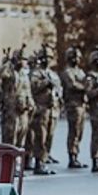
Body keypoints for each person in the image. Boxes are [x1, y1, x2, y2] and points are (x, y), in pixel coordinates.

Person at [28, 47, 59, 176]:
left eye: (49, 58)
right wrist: (46, 83)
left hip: (52, 109)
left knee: (49, 137)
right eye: (44, 58)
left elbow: (59, 88)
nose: (47, 60)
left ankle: (44, 160)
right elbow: (33, 87)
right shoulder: (36, 73)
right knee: (41, 137)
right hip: (41, 109)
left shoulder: (53, 74)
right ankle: (38, 163)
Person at [60, 46, 89, 169]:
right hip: (73, 104)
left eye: (77, 57)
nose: (76, 59)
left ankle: (76, 155)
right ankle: (72, 156)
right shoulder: (68, 72)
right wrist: (85, 87)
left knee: (80, 132)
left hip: (81, 104)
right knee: (74, 131)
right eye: (73, 57)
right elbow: (72, 85)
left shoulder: (80, 71)